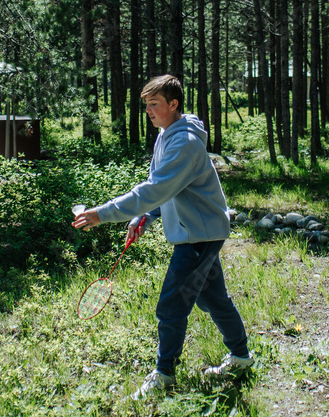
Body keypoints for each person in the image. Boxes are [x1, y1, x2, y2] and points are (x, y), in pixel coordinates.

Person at [72, 75, 252, 398]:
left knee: (171, 305)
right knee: (213, 299)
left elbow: (153, 190)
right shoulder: (167, 135)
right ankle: (241, 356)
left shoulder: (184, 143)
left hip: (197, 237)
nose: (149, 111)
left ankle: (165, 374)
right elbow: (163, 189)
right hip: (201, 232)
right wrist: (145, 216)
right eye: (146, 105)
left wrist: (102, 213)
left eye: (155, 104)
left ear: (173, 104)